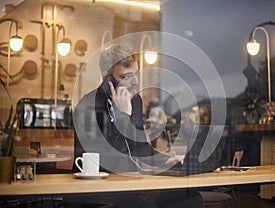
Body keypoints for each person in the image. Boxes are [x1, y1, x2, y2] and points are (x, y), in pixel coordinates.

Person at [72, 44, 204, 208]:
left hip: (130, 184)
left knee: (190, 199)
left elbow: (140, 147)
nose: (135, 82)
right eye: (126, 76)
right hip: (99, 190)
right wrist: (123, 115)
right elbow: (111, 157)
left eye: (136, 74)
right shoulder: (88, 106)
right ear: (106, 77)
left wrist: (167, 160)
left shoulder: (135, 100)